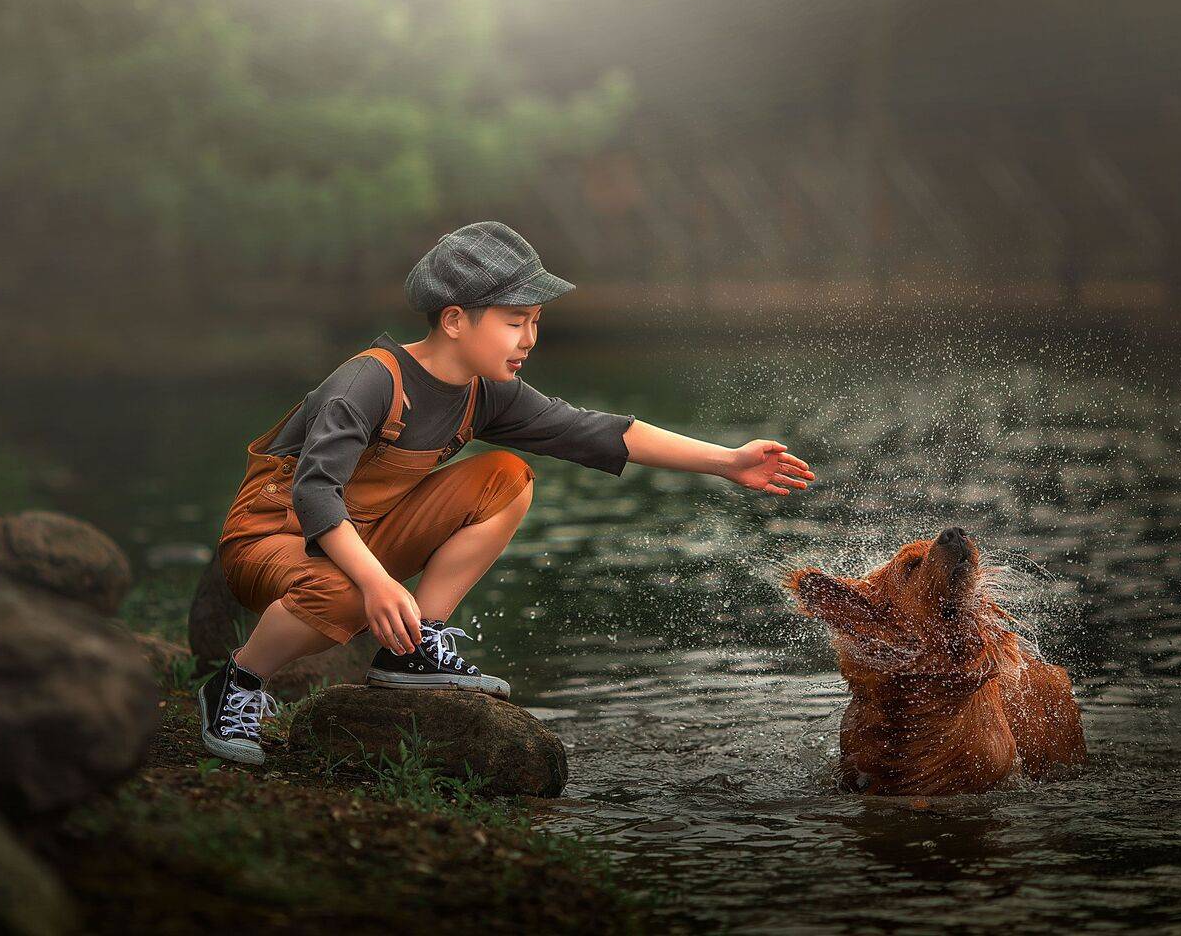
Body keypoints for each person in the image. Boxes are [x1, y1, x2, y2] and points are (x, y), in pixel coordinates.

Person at [198, 221, 817, 765]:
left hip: (359, 538)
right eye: (515, 322)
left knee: (506, 477)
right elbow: (314, 494)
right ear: (455, 319)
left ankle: (415, 649)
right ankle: (239, 680)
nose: (529, 340)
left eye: (535, 324)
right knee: (347, 593)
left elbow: (596, 431)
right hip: (273, 538)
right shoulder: (367, 381)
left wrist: (726, 460)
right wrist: (380, 584)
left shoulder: (483, 391)